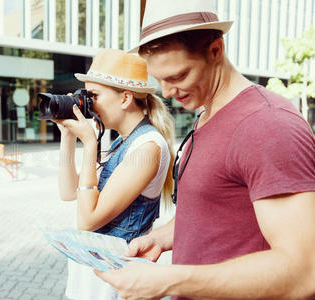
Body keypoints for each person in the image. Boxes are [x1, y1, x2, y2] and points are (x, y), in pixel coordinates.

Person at [94, 1, 315, 299]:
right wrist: (160, 239)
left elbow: (304, 272)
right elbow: (213, 211)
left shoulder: (268, 124)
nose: (168, 92)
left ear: (215, 51)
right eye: (159, 80)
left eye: (178, 76)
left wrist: (171, 280)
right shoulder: (207, 113)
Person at [54, 48, 175, 300]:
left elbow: (88, 220)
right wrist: (67, 136)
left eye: (94, 95)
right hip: (90, 280)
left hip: (114, 284)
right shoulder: (124, 141)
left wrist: (89, 144)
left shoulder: (148, 147)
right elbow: (68, 193)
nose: (88, 104)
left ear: (125, 98)